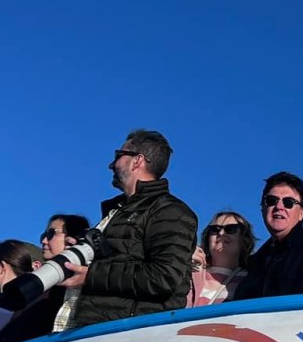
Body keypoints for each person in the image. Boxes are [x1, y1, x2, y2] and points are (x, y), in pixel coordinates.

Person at [55, 129, 198, 330]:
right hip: (89, 332)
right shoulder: (115, 212)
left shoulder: (170, 211)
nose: (111, 165)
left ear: (137, 161)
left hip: (127, 338)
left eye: (118, 156)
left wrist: (91, 275)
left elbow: (164, 277)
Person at [0, 214, 91, 342]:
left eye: (52, 234)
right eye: (43, 236)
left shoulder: (84, 283)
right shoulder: (42, 288)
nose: (44, 241)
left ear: (72, 239)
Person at [234, 171, 303, 299]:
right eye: (271, 200)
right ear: (262, 208)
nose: (279, 207)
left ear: (302, 213)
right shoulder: (256, 261)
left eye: (288, 202)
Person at [189, 211, 254, 307]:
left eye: (231, 229)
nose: (221, 233)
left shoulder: (253, 279)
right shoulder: (190, 271)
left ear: (244, 239)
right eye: (214, 229)